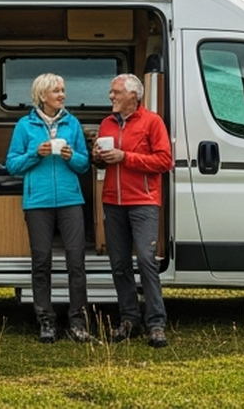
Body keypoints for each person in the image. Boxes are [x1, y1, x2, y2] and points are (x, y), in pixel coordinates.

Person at [5, 72, 92, 343]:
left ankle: (77, 322)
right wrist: (35, 154)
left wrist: (71, 156)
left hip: (70, 200)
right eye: (57, 91)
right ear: (42, 96)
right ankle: (46, 321)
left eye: (63, 90)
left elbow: (84, 164)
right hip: (38, 202)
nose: (62, 95)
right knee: (41, 262)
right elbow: (12, 165)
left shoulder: (72, 123)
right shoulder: (24, 125)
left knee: (76, 262)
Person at [96, 72, 174, 348]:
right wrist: (99, 158)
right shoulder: (106, 123)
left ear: (134, 96)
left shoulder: (152, 122)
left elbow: (165, 161)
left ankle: (156, 323)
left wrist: (125, 157)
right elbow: (103, 164)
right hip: (113, 203)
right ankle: (129, 319)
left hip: (143, 202)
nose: (111, 96)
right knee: (119, 265)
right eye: (111, 91)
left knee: (146, 261)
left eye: (116, 92)